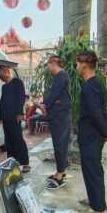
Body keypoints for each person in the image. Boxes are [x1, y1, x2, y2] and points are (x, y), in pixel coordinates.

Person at [76, 51, 107, 213]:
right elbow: (105, 110)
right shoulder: (97, 83)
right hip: (94, 136)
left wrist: (106, 131)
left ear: (84, 65)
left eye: (77, 63)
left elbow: (96, 113)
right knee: (93, 171)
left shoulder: (90, 86)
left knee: (93, 172)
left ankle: (98, 212)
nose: (76, 67)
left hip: (91, 136)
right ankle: (95, 203)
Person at [42, 55, 71, 190]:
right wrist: (52, 103)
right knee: (60, 145)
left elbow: (54, 95)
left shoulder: (61, 76)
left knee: (59, 145)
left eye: (48, 64)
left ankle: (60, 176)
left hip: (60, 118)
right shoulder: (60, 76)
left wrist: (45, 104)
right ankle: (60, 171)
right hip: (59, 116)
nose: (48, 67)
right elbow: (57, 98)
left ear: (53, 63)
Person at [0, 66, 30, 173]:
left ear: (7, 72)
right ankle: (12, 162)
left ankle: (25, 163)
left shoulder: (17, 82)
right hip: (6, 118)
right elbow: (2, 102)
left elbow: (21, 97)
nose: (0, 77)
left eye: (0, 74)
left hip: (15, 117)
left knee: (18, 140)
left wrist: (20, 113)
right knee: (8, 141)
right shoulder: (4, 87)